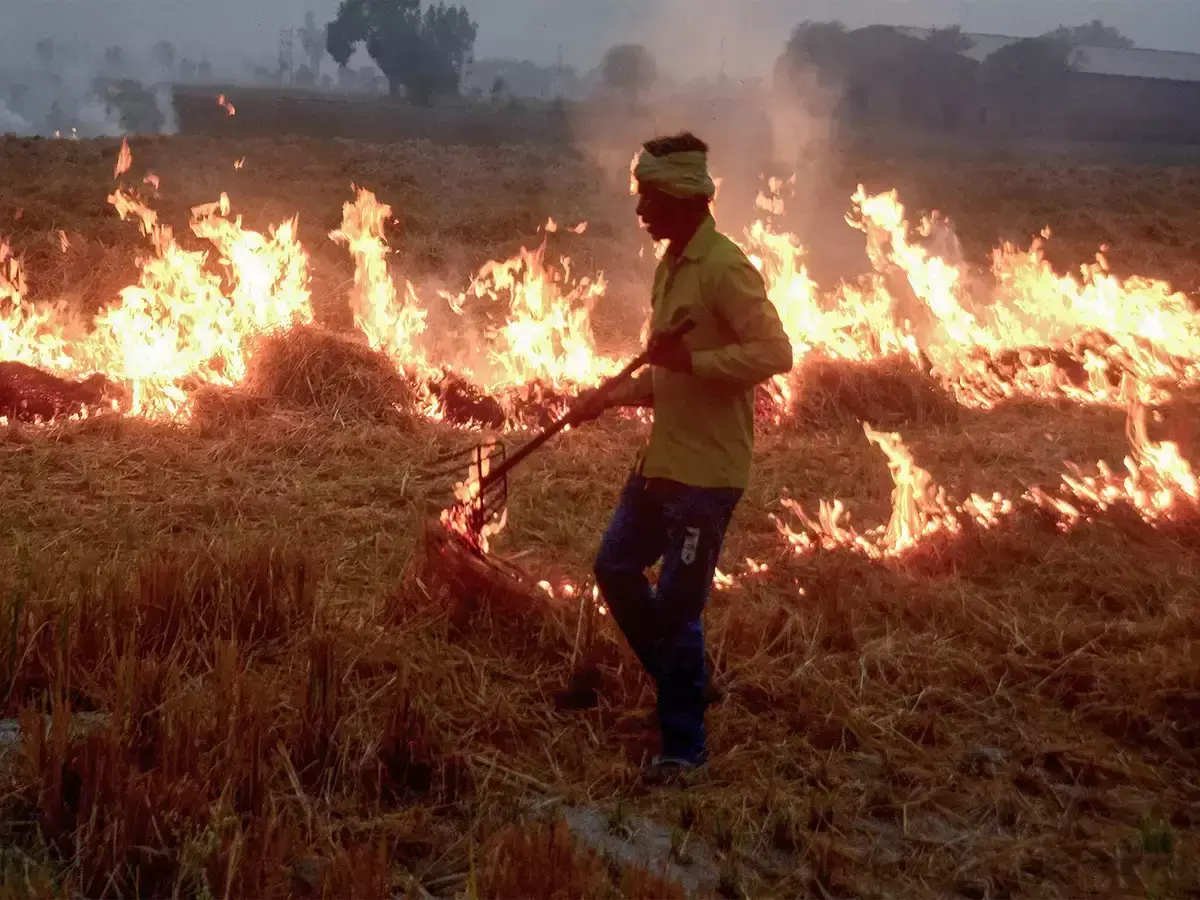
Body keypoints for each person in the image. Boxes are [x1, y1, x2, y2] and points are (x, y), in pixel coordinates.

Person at [570, 132, 794, 783]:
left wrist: (694, 361)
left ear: (685, 197)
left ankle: (684, 748)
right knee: (614, 566)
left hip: (707, 473)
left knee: (676, 606)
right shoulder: (670, 267)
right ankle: (684, 681)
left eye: (651, 197)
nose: (640, 209)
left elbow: (776, 352)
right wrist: (609, 398)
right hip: (662, 461)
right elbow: (665, 371)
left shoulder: (725, 268)